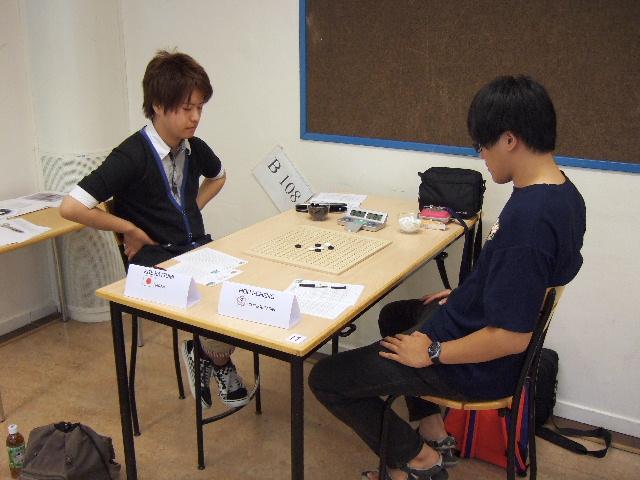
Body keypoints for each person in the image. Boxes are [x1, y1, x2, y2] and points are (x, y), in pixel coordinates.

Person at [308, 75, 586, 480]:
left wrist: (433, 352)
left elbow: (513, 337)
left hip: (480, 366)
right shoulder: (562, 193)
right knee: (395, 314)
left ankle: (419, 460)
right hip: (476, 328)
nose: (482, 157)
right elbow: (520, 281)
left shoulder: (530, 221)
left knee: (327, 378)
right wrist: (468, 292)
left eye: (482, 146)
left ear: (509, 139)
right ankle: (433, 430)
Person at [60, 50, 249, 410]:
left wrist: (189, 210)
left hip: (193, 251)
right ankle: (216, 358)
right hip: (153, 262)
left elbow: (219, 176)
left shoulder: (193, 148)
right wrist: (127, 228)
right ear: (159, 106)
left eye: (200, 107)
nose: (195, 117)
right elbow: (71, 207)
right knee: (211, 297)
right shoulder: (131, 155)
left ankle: (206, 353)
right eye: (187, 108)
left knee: (242, 287)